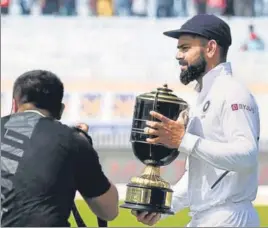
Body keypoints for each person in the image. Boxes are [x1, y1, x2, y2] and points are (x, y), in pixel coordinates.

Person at [131, 14, 260, 227]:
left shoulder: (233, 92)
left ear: (210, 48)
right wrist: (161, 207)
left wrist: (183, 139)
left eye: (185, 48)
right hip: (208, 217)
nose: (177, 55)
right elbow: (200, 179)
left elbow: (247, 155)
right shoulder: (205, 97)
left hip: (229, 217)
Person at [1, 70, 119, 227]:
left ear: (14, 105)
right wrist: (82, 146)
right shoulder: (72, 140)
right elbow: (109, 211)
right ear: (61, 110)